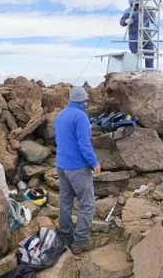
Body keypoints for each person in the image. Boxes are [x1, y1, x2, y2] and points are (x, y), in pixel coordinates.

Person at [54, 86, 100, 253]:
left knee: (65, 201)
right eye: (86, 101)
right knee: (87, 203)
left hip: (61, 165)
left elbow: (58, 140)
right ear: (83, 101)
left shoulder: (61, 115)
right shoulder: (80, 116)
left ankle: (65, 235)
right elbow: (84, 145)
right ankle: (80, 241)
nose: (87, 103)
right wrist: (94, 163)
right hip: (77, 168)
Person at [119, 0, 154, 69]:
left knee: (150, 55)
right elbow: (121, 22)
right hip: (134, 39)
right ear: (131, 4)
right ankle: (136, 72)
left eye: (138, 4)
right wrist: (126, 21)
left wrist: (153, 18)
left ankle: (150, 71)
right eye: (135, 5)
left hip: (146, 38)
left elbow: (153, 18)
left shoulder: (147, 10)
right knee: (135, 57)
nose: (137, 6)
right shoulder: (128, 11)